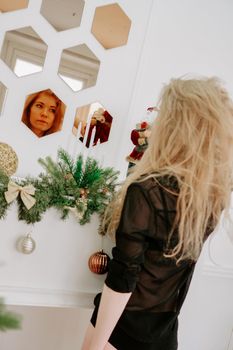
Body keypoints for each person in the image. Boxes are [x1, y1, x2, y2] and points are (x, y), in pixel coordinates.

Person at [81, 76, 233, 350]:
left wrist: (95, 345)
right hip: (164, 332)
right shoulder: (210, 196)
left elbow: (124, 277)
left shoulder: (148, 189)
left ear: (176, 127)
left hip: (122, 329)